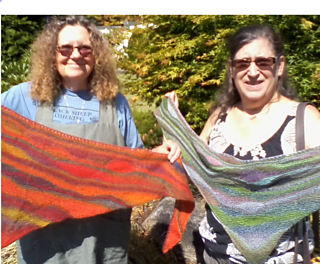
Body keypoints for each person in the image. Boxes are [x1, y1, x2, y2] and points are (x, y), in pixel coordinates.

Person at [1, 15, 181, 264]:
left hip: (102, 241)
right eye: (65, 47)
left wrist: (162, 151)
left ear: (96, 54)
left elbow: (135, 164)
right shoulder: (23, 97)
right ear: (51, 53)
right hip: (43, 243)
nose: (75, 54)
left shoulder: (115, 103)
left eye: (85, 48)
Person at [166, 24, 320, 264]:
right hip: (214, 256)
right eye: (242, 63)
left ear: (279, 66)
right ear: (231, 69)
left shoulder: (305, 119)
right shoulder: (219, 117)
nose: (252, 71)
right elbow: (190, 172)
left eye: (263, 62)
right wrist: (174, 138)